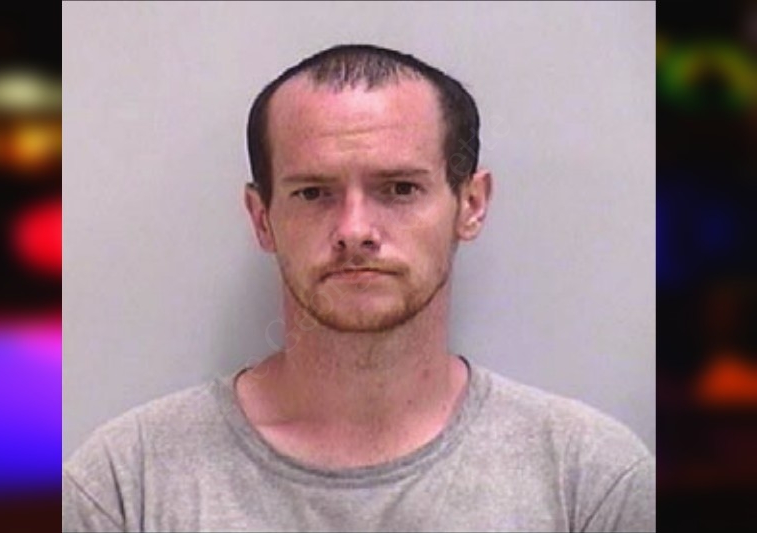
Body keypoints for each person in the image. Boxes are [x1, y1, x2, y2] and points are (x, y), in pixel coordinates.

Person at [62, 44, 655, 532]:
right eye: (313, 193)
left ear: (471, 205)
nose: (354, 230)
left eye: (399, 189)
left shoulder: (589, 479)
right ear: (262, 218)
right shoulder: (126, 484)